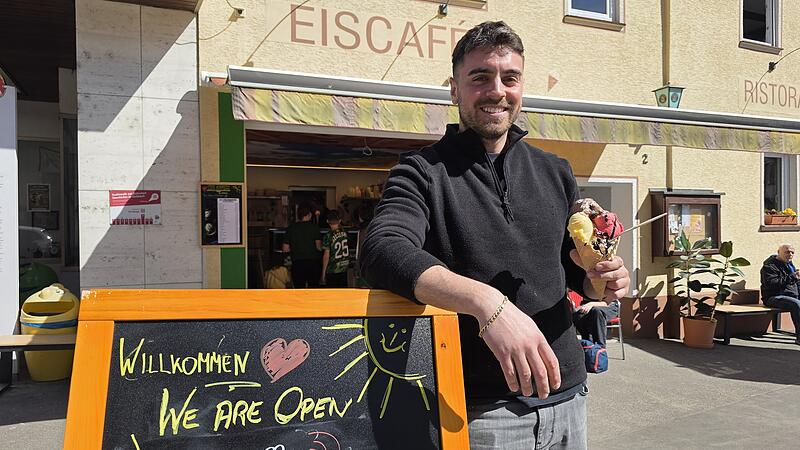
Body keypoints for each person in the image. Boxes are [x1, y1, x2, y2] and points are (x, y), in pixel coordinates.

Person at [359, 21, 630, 449]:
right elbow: (382, 251)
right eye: (480, 77)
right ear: (454, 89)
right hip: (479, 411)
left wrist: (600, 278)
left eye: (510, 78)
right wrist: (487, 304)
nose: (497, 90)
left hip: (569, 396)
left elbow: (571, 272)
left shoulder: (555, 171)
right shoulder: (421, 173)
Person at [760, 244, 800, 345]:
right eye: (787, 252)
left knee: (796, 302)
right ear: (778, 252)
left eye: (792, 253)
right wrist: (792, 277)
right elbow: (772, 284)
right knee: (796, 304)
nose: (790, 255)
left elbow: (795, 284)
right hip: (774, 297)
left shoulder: (789, 264)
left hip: (790, 295)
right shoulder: (769, 266)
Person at [282, 203, 322, 288]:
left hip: (297, 263)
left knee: (299, 289)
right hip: (313, 263)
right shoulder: (314, 228)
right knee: (313, 288)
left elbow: (285, 249)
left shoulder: (291, 228)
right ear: (309, 214)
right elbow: (318, 247)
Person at [321, 210, 351, 288]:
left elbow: (326, 256)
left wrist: (323, 273)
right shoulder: (345, 232)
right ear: (340, 220)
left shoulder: (328, 236)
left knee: (332, 295)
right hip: (344, 268)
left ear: (327, 221)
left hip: (332, 269)